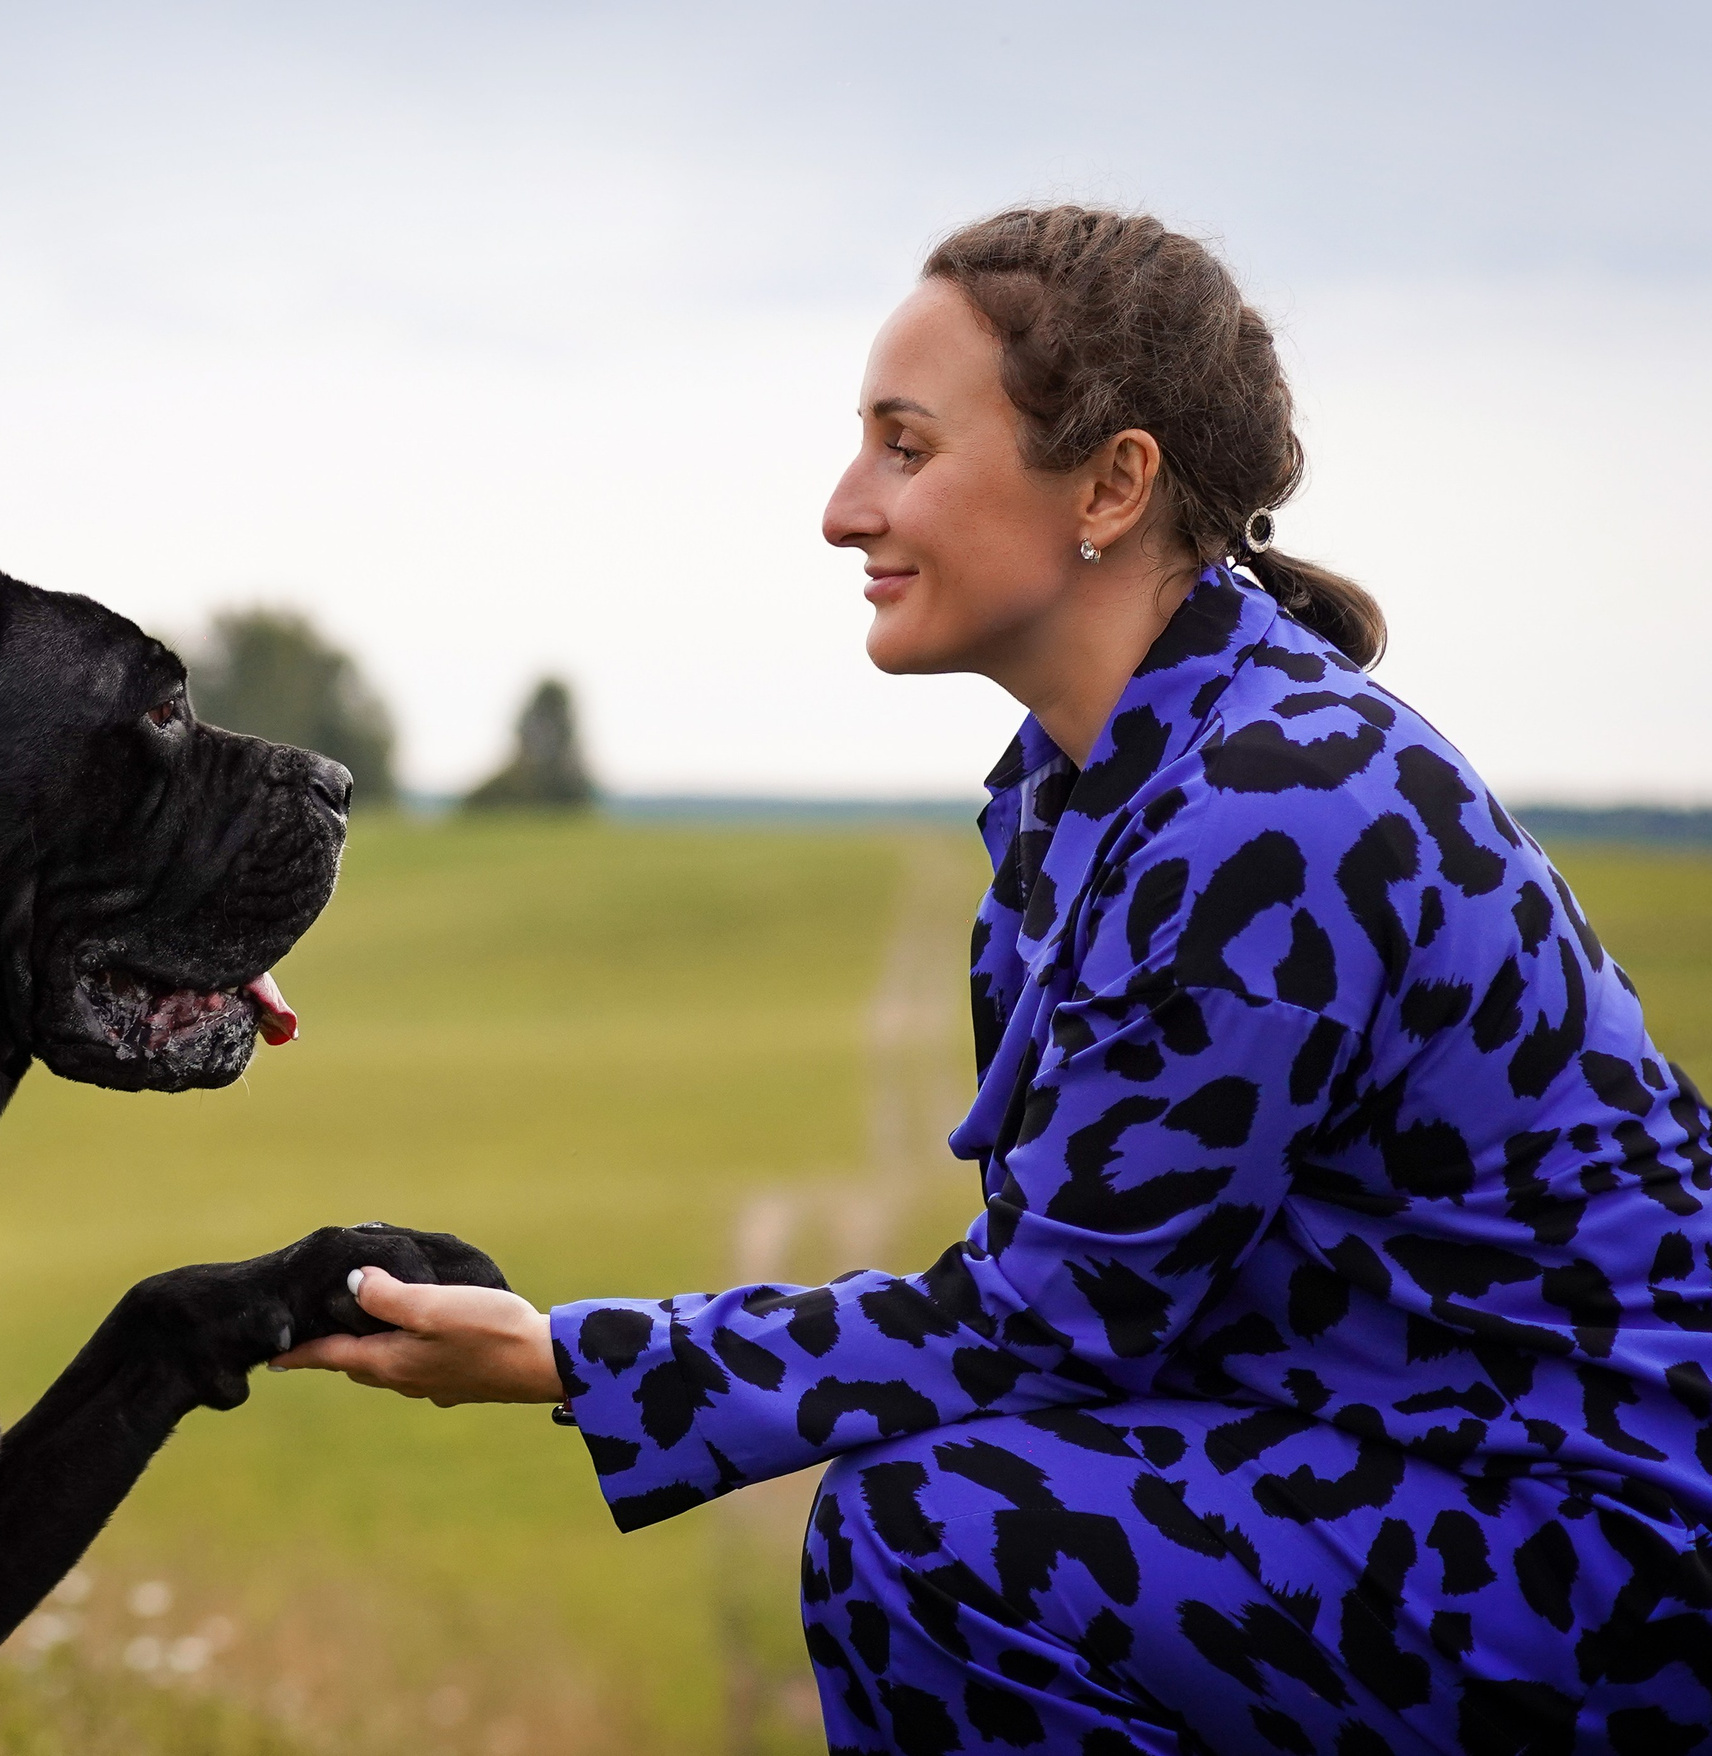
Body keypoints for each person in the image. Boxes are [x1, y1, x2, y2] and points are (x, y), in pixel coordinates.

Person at [274, 206, 1712, 1754]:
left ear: (1113, 483)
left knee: (935, 1536)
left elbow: (1045, 1324)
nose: (842, 510)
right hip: (1420, 1469)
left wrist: (566, 1354)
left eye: (905, 448)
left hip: (1608, 1537)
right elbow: (1081, 1320)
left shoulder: (1272, 812)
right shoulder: (1091, 790)